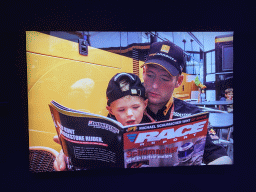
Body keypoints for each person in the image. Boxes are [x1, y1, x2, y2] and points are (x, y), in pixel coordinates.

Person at [53, 41, 232, 171]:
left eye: (164, 78)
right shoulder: (126, 110)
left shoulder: (192, 115)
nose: (154, 85)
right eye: (150, 75)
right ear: (143, 72)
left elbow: (221, 157)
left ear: (178, 81)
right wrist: (70, 154)